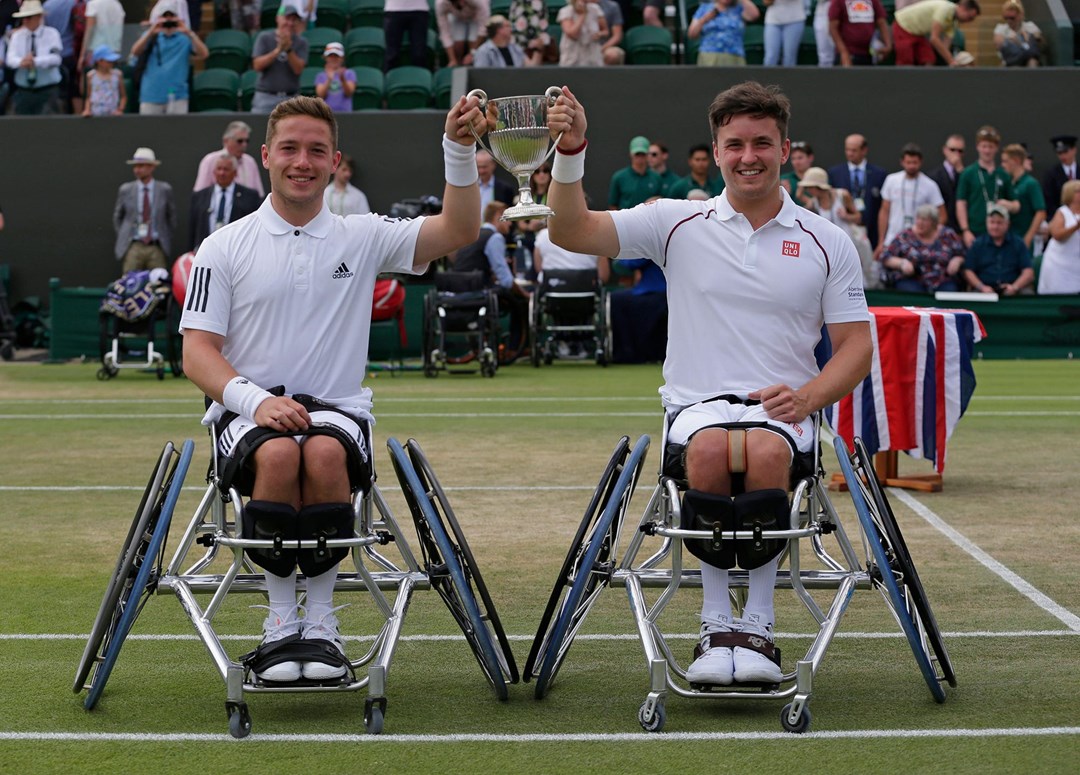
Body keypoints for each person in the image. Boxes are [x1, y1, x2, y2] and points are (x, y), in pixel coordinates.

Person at [545, 81, 872, 686]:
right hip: (695, 410)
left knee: (767, 448)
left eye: (762, 143)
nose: (749, 156)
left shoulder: (829, 241)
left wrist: (808, 397)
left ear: (785, 149)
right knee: (716, 448)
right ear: (717, 151)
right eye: (735, 144)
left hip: (785, 413)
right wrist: (571, 150)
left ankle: (759, 626)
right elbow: (570, 230)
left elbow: (856, 346)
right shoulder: (676, 221)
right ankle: (717, 621)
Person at [179, 94, 483, 683]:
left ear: (335, 161)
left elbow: (461, 228)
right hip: (247, 413)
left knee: (319, 450)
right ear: (265, 156)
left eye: (316, 150)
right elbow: (197, 352)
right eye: (289, 148)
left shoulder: (362, 235)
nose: (302, 161)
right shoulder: (223, 245)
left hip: (337, 412)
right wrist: (257, 401)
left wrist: (460, 148)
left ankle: (320, 625)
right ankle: (278, 624)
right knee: (274, 452)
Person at [453, 200, 531, 355]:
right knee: (521, 301)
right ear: (498, 216)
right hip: (480, 292)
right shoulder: (494, 238)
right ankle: (516, 348)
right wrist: (525, 294)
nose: (510, 225)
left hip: (459, 290)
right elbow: (506, 280)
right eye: (507, 219)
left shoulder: (472, 235)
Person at [796, 166, 877, 287]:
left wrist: (846, 216)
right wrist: (804, 184)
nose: (808, 190)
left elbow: (859, 217)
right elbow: (799, 195)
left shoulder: (842, 195)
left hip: (850, 243)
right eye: (807, 187)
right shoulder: (814, 202)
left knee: (858, 278)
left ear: (819, 186)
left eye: (810, 187)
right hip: (830, 246)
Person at [129, 1, 207, 115]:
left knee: (177, 132)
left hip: (177, 96)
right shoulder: (151, 37)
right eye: (165, 17)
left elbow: (204, 54)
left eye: (172, 16)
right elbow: (135, 51)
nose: (168, 20)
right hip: (151, 95)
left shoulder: (184, 39)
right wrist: (151, 31)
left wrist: (189, 32)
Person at [875, 143, 946, 257]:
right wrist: (881, 241)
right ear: (902, 162)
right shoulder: (891, 180)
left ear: (920, 162)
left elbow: (942, 215)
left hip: (918, 243)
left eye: (915, 163)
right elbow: (884, 212)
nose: (912, 166)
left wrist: (929, 235)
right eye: (908, 162)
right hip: (892, 239)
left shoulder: (930, 185)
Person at [113, 147, 175, 273]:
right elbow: (118, 217)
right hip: (134, 245)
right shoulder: (126, 190)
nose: (137, 170)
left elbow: (171, 217)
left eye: (141, 166)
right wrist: (126, 236)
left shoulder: (164, 190)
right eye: (135, 166)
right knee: (130, 284)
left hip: (156, 246)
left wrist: (163, 237)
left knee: (158, 284)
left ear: (152, 167)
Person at [880, 203, 965, 293]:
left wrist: (957, 260)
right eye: (918, 219)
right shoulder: (905, 235)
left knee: (950, 290)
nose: (920, 222)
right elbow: (885, 257)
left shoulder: (947, 234)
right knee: (911, 291)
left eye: (924, 220)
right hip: (912, 279)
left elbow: (962, 254)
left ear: (934, 222)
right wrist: (901, 263)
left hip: (942, 279)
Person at [189, 153, 261, 252]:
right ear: (214, 172)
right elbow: (192, 228)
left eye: (226, 169)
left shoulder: (250, 196)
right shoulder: (199, 196)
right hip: (206, 251)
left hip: (237, 251)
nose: (222, 173)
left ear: (235, 173)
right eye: (219, 169)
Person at [828, 133, 888, 250]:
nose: (850, 153)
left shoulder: (879, 174)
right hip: (844, 230)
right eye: (847, 150)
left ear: (864, 150)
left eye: (854, 150)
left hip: (872, 230)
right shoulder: (835, 173)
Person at [956, 124, 1012, 248]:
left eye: (991, 147)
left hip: (999, 232)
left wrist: (1009, 205)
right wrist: (965, 230)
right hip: (975, 231)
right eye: (984, 146)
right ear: (978, 147)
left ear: (996, 148)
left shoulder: (1003, 174)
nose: (987, 151)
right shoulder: (968, 173)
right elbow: (961, 203)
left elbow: (1015, 203)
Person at [4, 0, 63, 116]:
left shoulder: (52, 34)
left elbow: (56, 59)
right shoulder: (17, 36)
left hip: (48, 90)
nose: (25, 21)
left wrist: (35, 61)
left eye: (29, 17)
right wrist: (22, 62)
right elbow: (10, 59)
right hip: (24, 91)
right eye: (24, 18)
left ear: (39, 17)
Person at [962, 204, 1034, 295]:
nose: (995, 226)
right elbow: (968, 271)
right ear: (986, 223)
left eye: (999, 223)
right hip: (984, 290)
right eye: (992, 222)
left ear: (1007, 224)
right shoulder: (978, 244)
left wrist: (1015, 287)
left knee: (1028, 294)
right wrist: (982, 287)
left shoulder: (1018, 243)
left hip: (1013, 289)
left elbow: (1028, 271)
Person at [250, 4, 307, 113]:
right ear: (278, 18)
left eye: (293, 20)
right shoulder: (264, 38)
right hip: (266, 97)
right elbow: (257, 65)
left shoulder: (301, 42)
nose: (290, 23)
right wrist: (277, 50)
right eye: (287, 18)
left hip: (291, 97)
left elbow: (298, 69)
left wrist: (288, 50)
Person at [891, 0, 980, 67]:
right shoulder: (945, 9)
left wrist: (951, 61)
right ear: (963, 8)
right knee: (905, 60)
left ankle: (925, 83)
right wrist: (951, 61)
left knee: (929, 58)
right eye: (969, 17)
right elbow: (934, 38)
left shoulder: (953, 23)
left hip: (918, 32)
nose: (968, 21)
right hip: (903, 25)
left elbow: (945, 47)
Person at [193, 121, 266, 197]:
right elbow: (200, 195)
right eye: (239, 141)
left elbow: (259, 194)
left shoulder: (250, 162)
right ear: (226, 141)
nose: (244, 145)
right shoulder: (210, 160)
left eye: (247, 141)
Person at [998, 142, 1045, 253]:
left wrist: (1028, 238)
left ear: (1016, 161)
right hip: (1007, 239)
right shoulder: (1008, 183)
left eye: (1005, 161)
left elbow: (1041, 212)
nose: (1002, 165)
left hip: (1023, 239)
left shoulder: (1031, 184)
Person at [1036, 180, 1080, 295]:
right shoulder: (1062, 212)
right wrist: (1076, 227)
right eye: (1078, 191)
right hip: (1059, 264)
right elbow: (1057, 235)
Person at [687, 0, 760, 67]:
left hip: (735, 54)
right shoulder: (705, 8)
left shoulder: (739, 8)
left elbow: (754, 15)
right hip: (710, 55)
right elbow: (692, 34)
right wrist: (705, 19)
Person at [829, 0, 892, 66]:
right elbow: (833, 28)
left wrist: (888, 45)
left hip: (870, 55)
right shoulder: (838, 1)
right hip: (850, 54)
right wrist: (843, 52)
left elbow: (881, 22)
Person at [608, 135, 663, 210]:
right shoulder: (619, 177)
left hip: (648, 220)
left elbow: (661, 202)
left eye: (642, 154)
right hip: (625, 220)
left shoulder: (656, 177)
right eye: (637, 154)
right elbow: (613, 205)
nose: (640, 157)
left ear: (647, 154)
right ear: (631, 154)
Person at [926, 133, 966, 233]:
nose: (956, 154)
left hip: (960, 229)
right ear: (945, 150)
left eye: (960, 151)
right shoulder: (933, 176)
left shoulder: (966, 175)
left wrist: (961, 173)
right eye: (952, 150)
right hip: (940, 229)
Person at [42, 0, 77, 112]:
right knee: (72, 89)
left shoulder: (48, 5)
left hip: (56, 54)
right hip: (70, 53)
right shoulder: (74, 3)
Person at [434, 0, 489, 67]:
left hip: (476, 15)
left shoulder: (480, 2)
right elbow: (444, 32)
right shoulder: (440, 3)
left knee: (473, 44)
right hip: (457, 17)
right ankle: (457, 67)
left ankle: (472, 67)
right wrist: (452, 59)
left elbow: (483, 27)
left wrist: (472, 53)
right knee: (458, 46)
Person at [472, 13, 541, 66]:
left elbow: (531, 68)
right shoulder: (484, 52)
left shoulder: (515, 48)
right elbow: (481, 75)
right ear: (499, 30)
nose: (511, 29)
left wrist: (538, 50)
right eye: (507, 26)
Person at [557, 0, 607, 67]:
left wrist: (599, 34)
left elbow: (605, 31)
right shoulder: (565, 12)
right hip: (572, 55)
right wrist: (583, 14)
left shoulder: (596, 9)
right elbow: (572, 34)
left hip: (592, 53)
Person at [78, 0, 124, 73]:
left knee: (90, 81)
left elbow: (89, 31)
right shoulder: (117, 5)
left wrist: (82, 56)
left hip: (96, 53)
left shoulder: (93, 4)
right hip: (113, 52)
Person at [383, 0, 430, 71]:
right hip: (394, 9)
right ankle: (389, 80)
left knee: (419, 54)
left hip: (419, 9)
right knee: (392, 55)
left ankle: (420, 79)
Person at [81, 43, 125, 116]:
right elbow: (89, 97)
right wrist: (87, 110)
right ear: (99, 61)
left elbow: (123, 96)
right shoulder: (91, 76)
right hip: (96, 116)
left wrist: (120, 109)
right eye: (108, 61)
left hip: (113, 115)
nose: (111, 63)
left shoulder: (117, 75)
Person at [993, 0, 1041, 67]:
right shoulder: (1001, 28)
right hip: (1010, 60)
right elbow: (999, 46)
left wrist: (1019, 42)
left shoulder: (1030, 26)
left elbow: (1038, 43)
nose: (1009, 21)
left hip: (1026, 59)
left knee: (1032, 61)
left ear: (1020, 15)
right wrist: (1023, 41)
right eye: (1006, 18)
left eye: (1012, 18)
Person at [314, 42, 355, 113]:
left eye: (336, 56)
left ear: (342, 58)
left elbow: (349, 93)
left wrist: (343, 79)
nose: (333, 58)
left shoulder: (349, 73)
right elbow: (320, 95)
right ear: (326, 58)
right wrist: (329, 79)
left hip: (345, 114)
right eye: (330, 56)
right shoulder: (321, 76)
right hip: (326, 114)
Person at [762, 0, 805, 67]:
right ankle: (766, 77)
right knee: (770, 56)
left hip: (795, 20)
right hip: (772, 20)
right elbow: (767, 2)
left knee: (789, 57)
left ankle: (789, 77)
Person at [1041, 135, 1076, 216]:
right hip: (1060, 219)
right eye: (1059, 153)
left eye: (1065, 152)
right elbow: (1048, 200)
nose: (1063, 156)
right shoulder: (1051, 174)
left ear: (1074, 150)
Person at [476, 148, 516, 217]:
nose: (481, 171)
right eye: (478, 167)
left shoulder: (505, 189)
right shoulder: (470, 188)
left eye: (484, 167)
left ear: (493, 165)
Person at [597, 0, 625, 65]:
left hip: (604, 46)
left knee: (612, 55)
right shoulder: (575, 7)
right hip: (581, 46)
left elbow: (617, 36)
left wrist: (601, 49)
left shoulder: (612, 6)